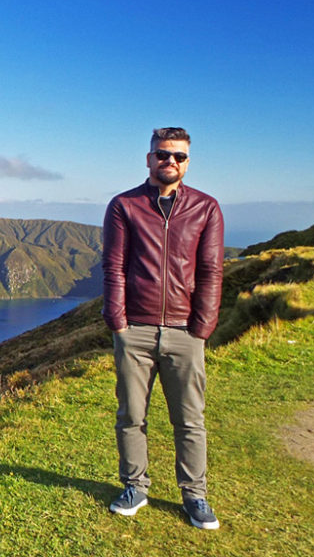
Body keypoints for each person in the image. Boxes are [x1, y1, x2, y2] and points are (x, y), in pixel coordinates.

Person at [101, 127, 224, 529]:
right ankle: (135, 486)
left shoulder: (206, 208)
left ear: (188, 162)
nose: (170, 162)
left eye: (179, 157)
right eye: (163, 154)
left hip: (185, 331)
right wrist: (118, 322)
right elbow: (114, 267)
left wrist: (202, 326)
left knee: (190, 419)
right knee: (131, 415)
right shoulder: (125, 206)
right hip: (135, 328)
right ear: (149, 157)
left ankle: (195, 496)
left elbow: (211, 271)